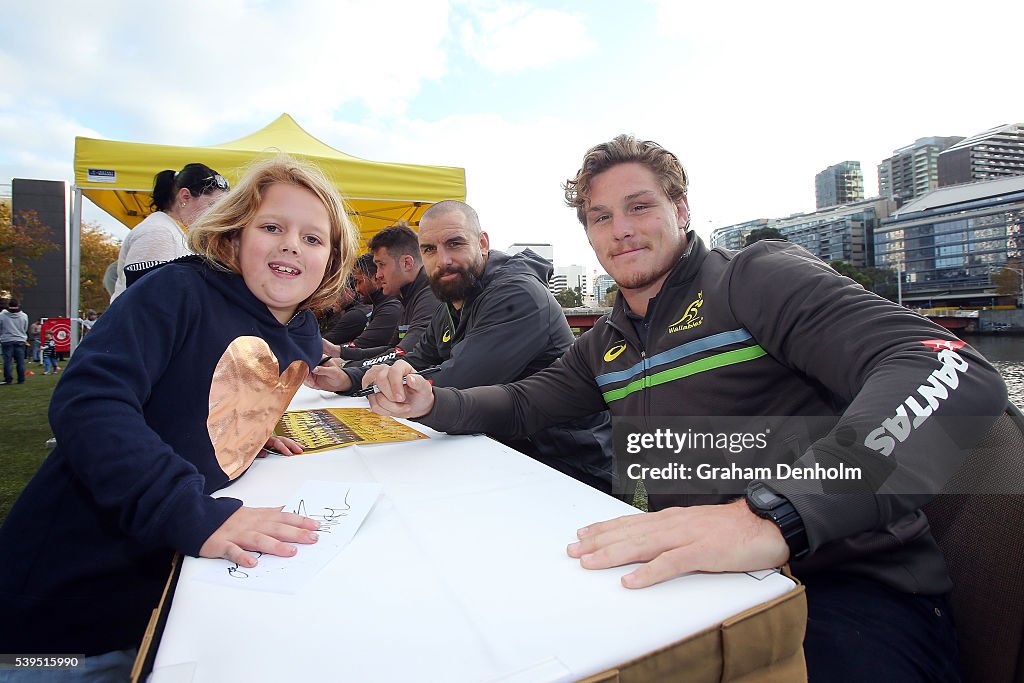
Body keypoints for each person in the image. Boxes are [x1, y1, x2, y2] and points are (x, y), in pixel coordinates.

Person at [361, 135, 1008, 682]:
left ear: (681, 206)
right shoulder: (607, 340)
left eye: (639, 206)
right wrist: (433, 401)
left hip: (849, 590)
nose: (621, 229)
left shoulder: (752, 278)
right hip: (699, 587)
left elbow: (948, 367)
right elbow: (527, 402)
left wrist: (776, 514)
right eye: (600, 217)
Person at [0, 154, 360, 676]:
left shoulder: (301, 333)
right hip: (66, 600)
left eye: (312, 238)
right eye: (272, 227)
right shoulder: (176, 292)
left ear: (331, 260)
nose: (290, 244)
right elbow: (90, 400)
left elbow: (199, 390)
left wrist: (246, 428)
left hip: (159, 595)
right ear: (234, 236)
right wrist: (187, 511)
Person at [309, 200, 614, 492]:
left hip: (565, 463)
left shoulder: (517, 293)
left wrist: (380, 381)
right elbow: (415, 355)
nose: (443, 260)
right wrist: (350, 376)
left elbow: (462, 376)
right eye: (429, 249)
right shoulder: (453, 299)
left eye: (455, 243)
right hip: (496, 445)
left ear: (482, 243)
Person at [324, 222, 441, 364]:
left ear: (407, 263)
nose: (378, 275)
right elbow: (392, 349)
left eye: (382, 265)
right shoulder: (408, 296)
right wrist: (339, 352)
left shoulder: (431, 296)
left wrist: (347, 367)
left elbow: (404, 353)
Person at [110, 162, 230, 300]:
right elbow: (149, 300)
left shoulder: (174, 230)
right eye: (213, 205)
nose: (217, 213)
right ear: (185, 197)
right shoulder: (158, 233)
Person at [336, 254, 402, 354]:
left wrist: (331, 349)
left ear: (376, 278)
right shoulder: (381, 305)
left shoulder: (390, 309)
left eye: (359, 282)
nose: (357, 289)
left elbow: (360, 346)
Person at [318, 277, 370, 345]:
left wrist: (337, 315)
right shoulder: (363, 306)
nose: (329, 299)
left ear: (347, 291)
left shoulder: (356, 314)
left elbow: (321, 342)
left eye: (332, 293)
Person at [0, 298, 29, 384]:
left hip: (7, 339)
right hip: (20, 339)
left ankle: (8, 379)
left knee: (8, 361)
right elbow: (25, 327)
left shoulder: (3, 315)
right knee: (20, 362)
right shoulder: (24, 316)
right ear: (18, 305)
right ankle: (21, 379)